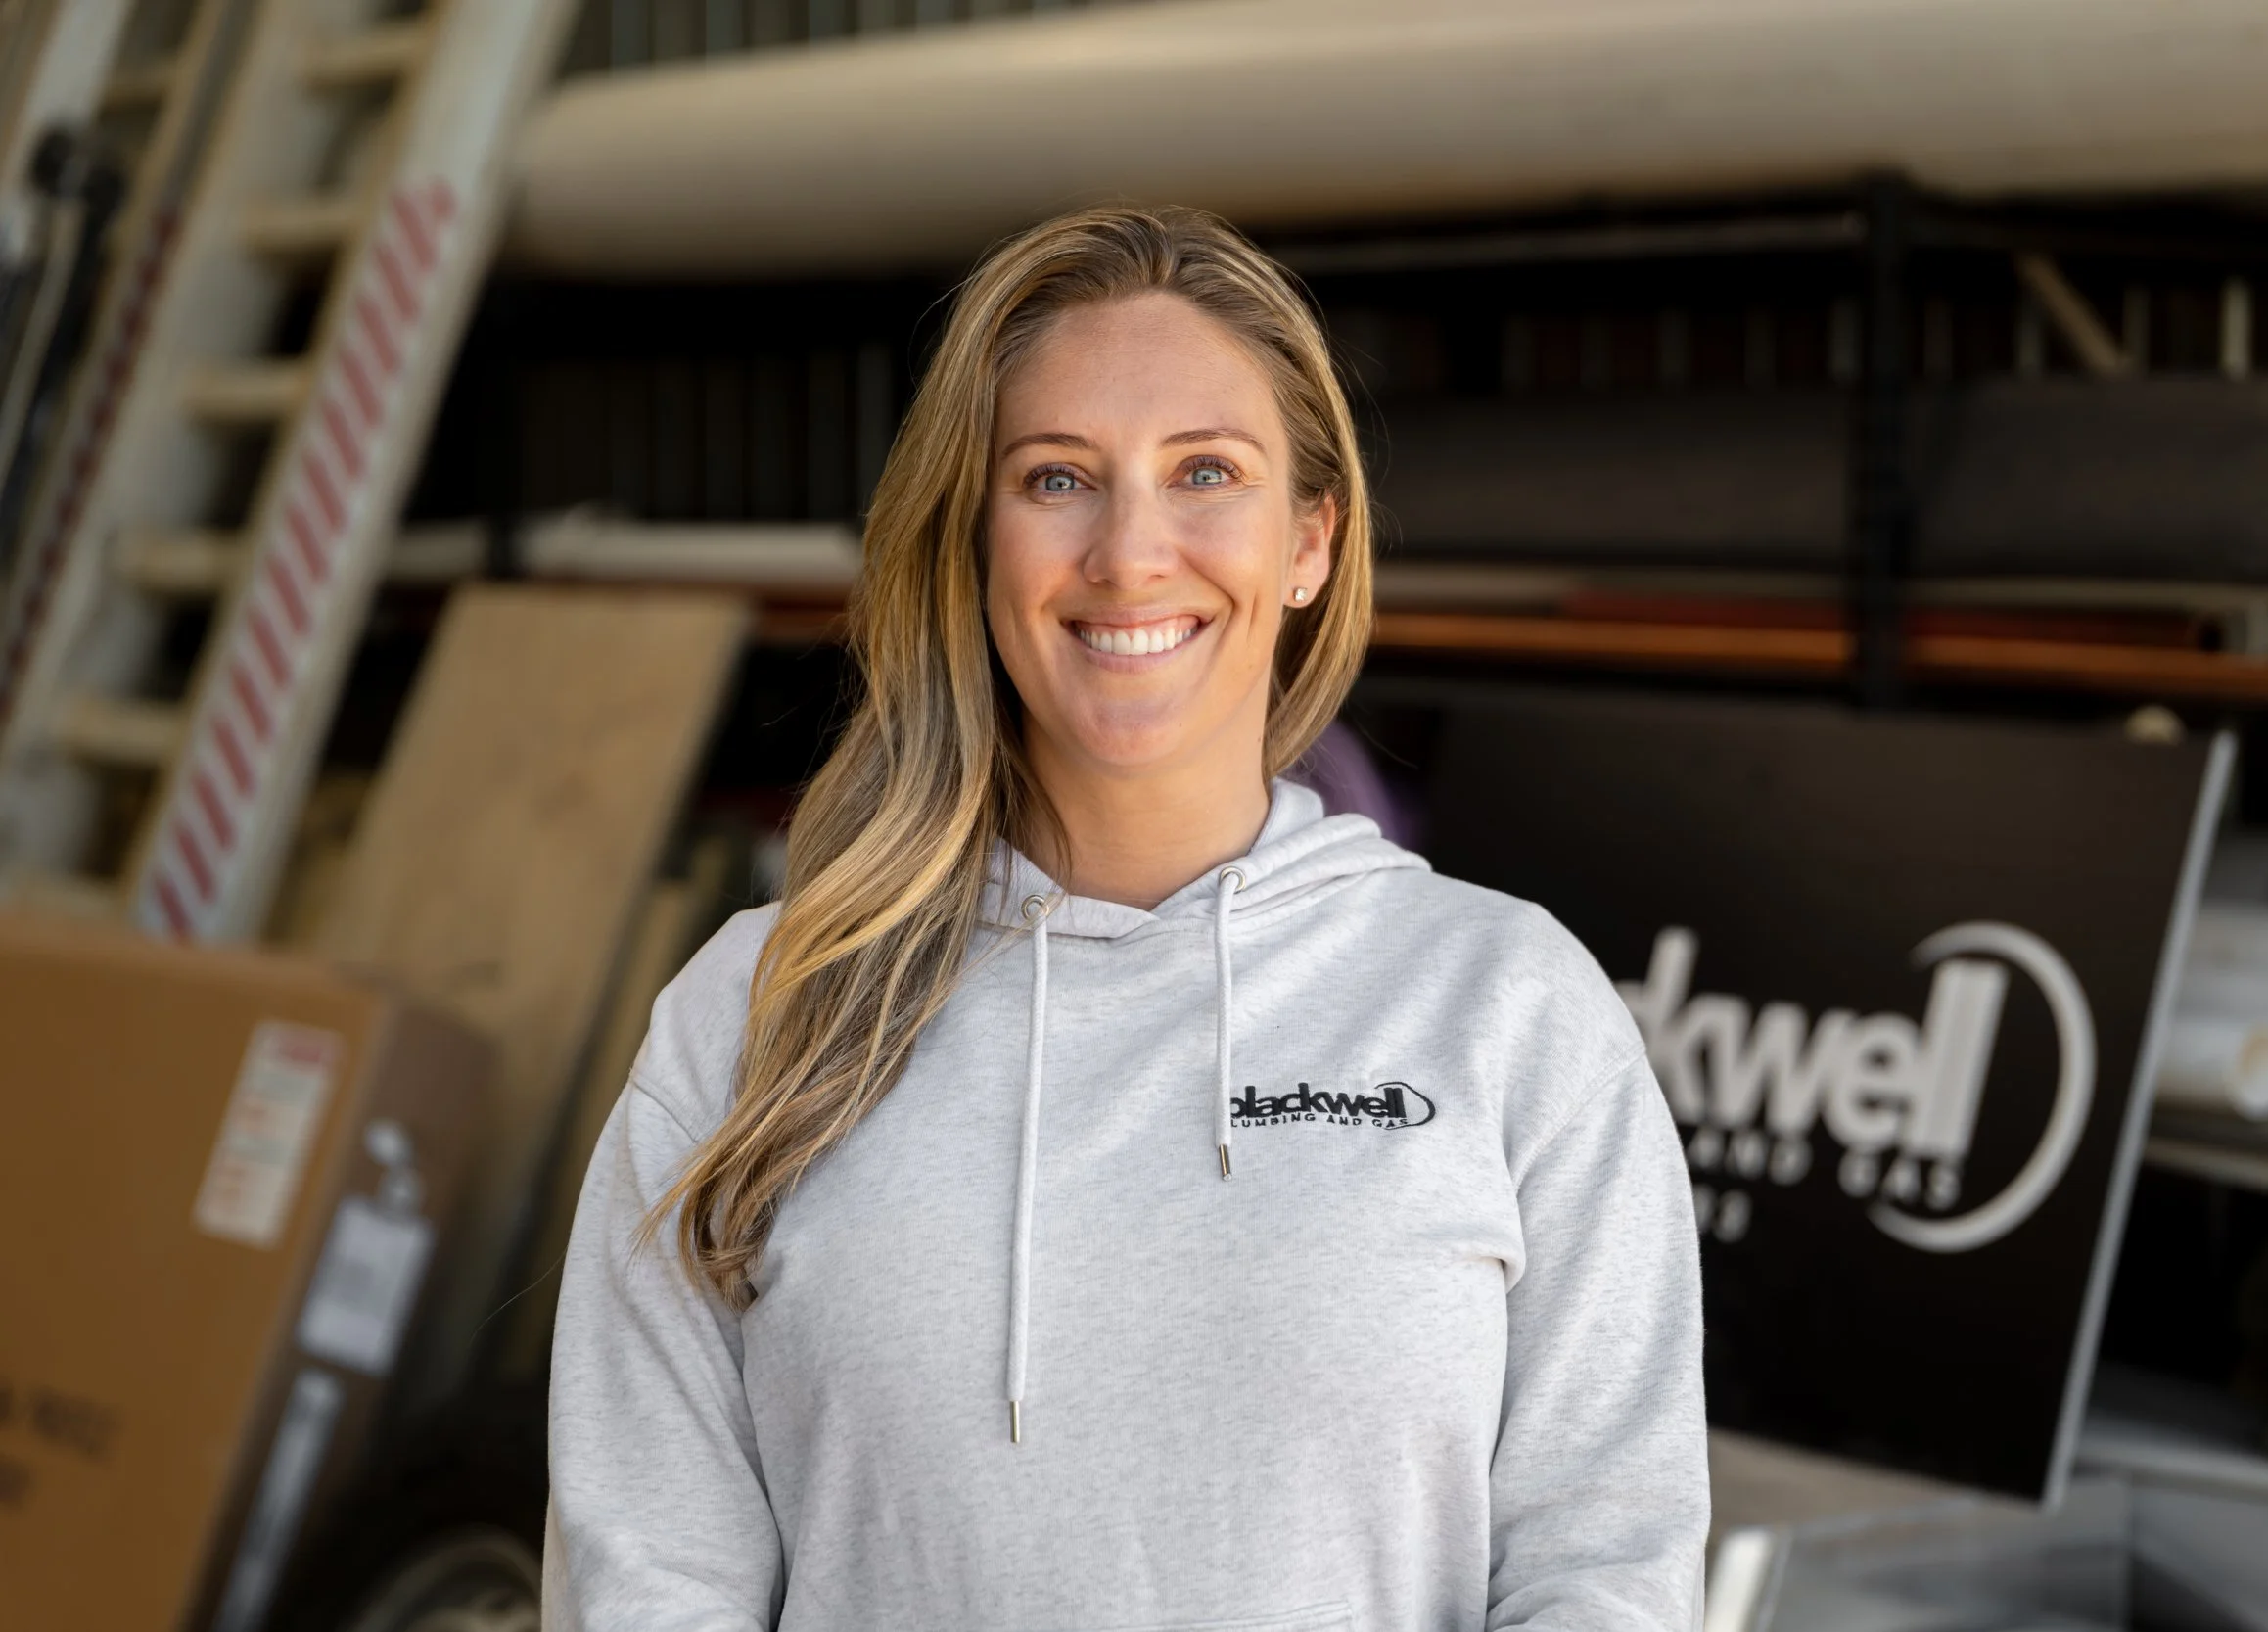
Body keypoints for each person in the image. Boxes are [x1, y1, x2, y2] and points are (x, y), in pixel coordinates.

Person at [543, 205, 1706, 1632]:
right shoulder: (759, 1014)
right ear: (974, 539)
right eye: (1056, 478)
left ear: (1309, 543)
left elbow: (1606, 1567)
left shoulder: (1507, 1006)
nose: (1130, 550)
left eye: (1205, 471)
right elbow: (648, 1581)